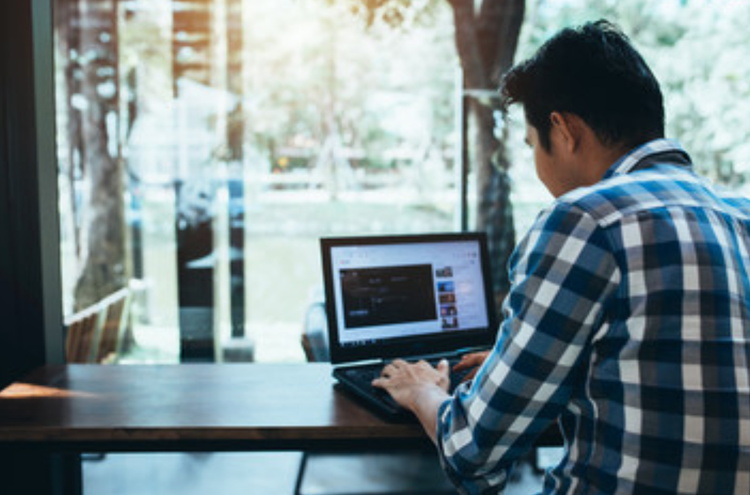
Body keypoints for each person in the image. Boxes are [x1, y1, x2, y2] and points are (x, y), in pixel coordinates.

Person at [372, 19, 750, 495]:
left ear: (564, 129)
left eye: (532, 145)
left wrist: (422, 389)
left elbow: (473, 450)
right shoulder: (739, 216)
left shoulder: (585, 219)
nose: (537, 166)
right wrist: (533, 359)